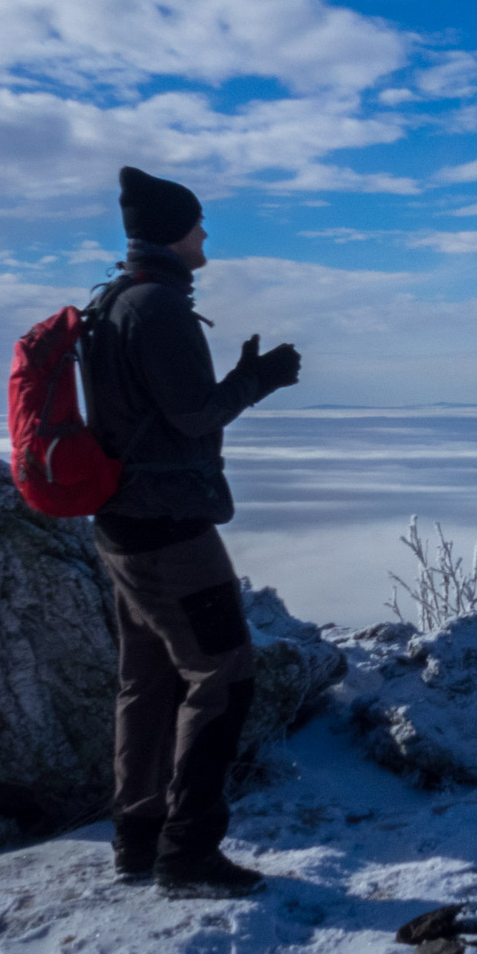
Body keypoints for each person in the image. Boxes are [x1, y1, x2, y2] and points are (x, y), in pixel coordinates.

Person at [79, 165, 301, 897]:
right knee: (225, 672)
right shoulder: (158, 307)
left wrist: (236, 375)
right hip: (169, 526)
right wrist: (261, 379)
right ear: (175, 231)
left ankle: (136, 837)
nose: (206, 235)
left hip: (122, 523)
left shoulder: (113, 301)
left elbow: (163, 407)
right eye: (198, 223)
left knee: (146, 676)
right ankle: (189, 852)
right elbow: (193, 417)